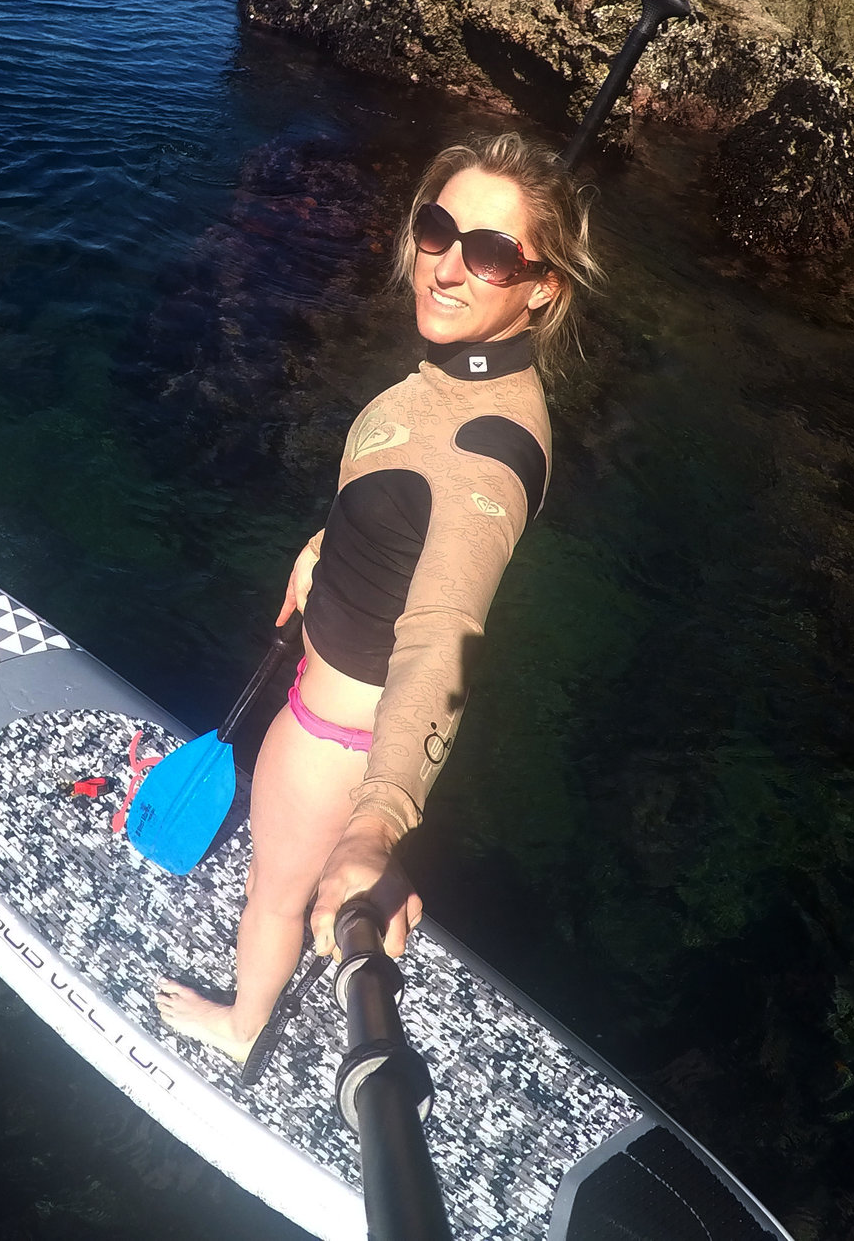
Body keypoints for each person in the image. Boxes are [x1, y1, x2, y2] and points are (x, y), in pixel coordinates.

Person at [156, 132, 601, 1063]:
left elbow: (443, 635)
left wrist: (377, 817)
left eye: (489, 253)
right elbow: (396, 496)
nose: (445, 266)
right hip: (340, 717)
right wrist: (328, 547)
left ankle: (241, 1027)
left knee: (274, 892)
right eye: (438, 229)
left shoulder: (492, 453)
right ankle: (354, 884)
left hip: (336, 743)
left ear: (544, 285)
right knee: (303, 872)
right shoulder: (455, 377)